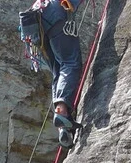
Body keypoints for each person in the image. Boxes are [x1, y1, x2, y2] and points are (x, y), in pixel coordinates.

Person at [26, 0, 83, 148]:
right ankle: (62, 112)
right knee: (70, 63)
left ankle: (63, 127)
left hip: (35, 21)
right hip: (54, 13)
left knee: (58, 71)